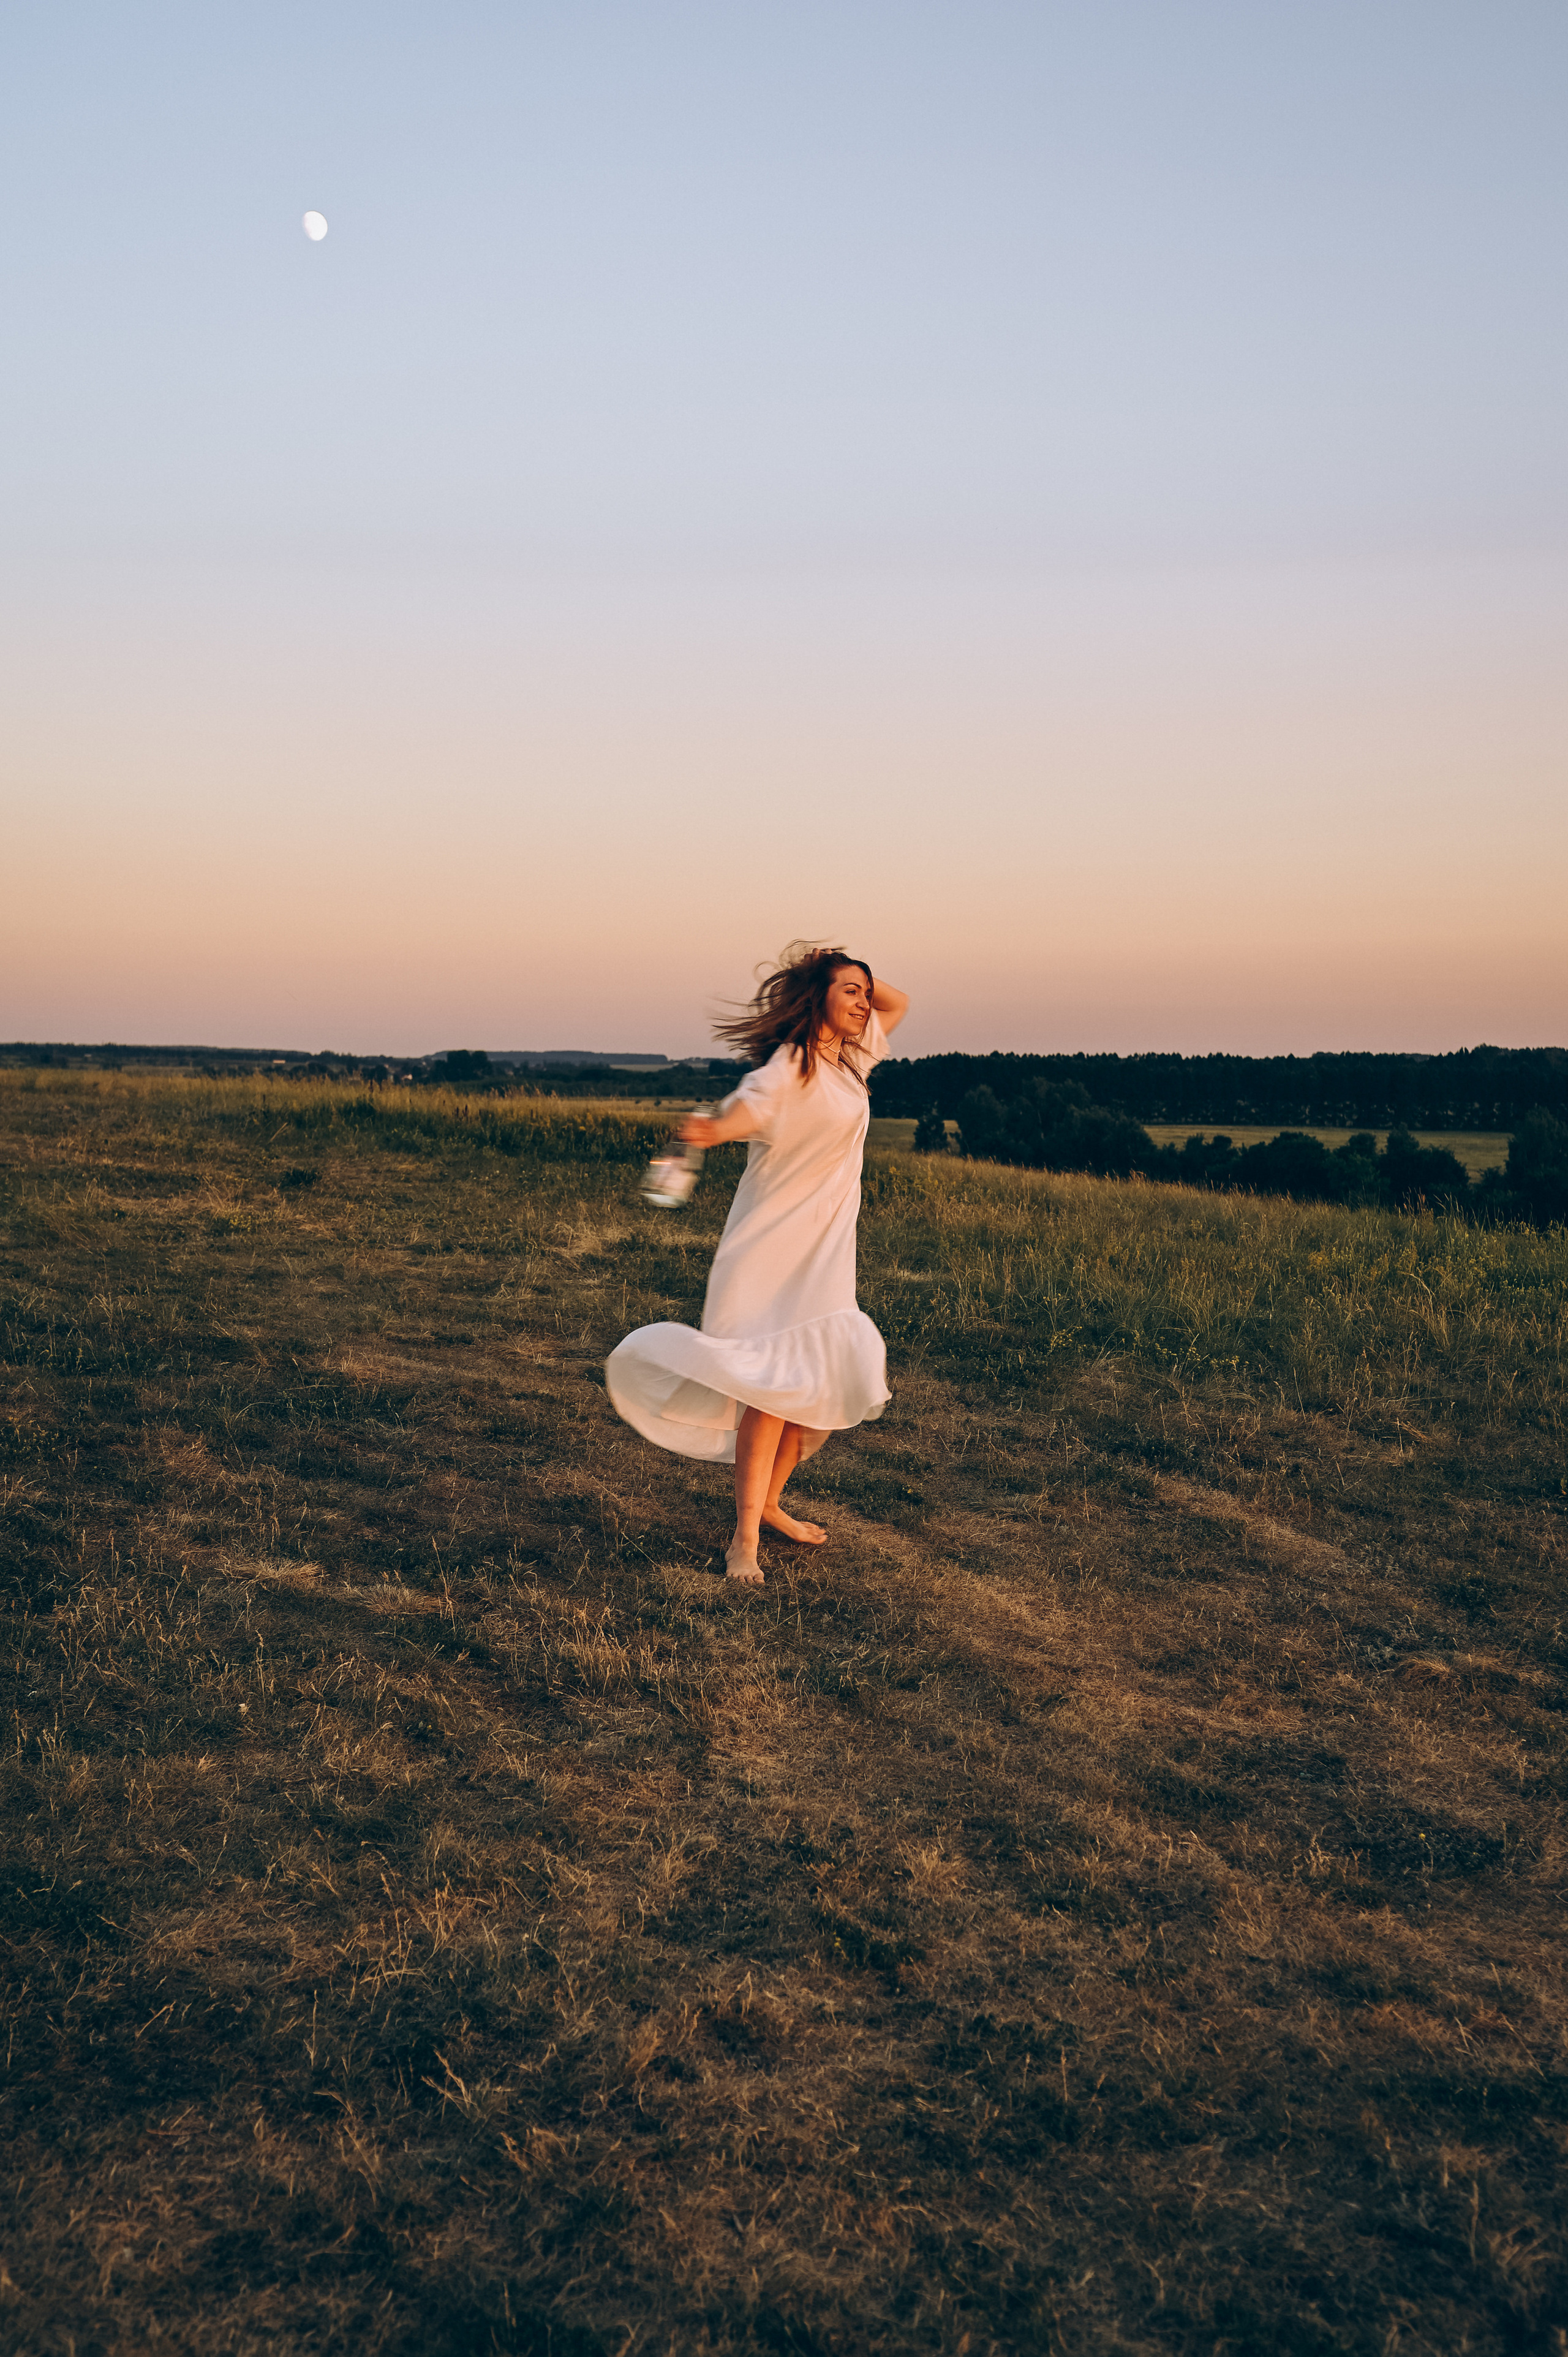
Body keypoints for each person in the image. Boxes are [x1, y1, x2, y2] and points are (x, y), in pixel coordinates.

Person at [606, 944, 909, 1584]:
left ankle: (770, 1502)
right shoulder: (785, 1070)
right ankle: (744, 1537)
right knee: (769, 1395)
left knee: (814, 1396)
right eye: (850, 992)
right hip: (770, 1251)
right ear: (815, 1000)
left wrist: (843, 974)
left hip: (824, 1253)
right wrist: (705, 1133)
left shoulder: (850, 1057)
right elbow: (737, 1117)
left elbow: (899, 1002)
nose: (864, 1002)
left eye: (864, 991)